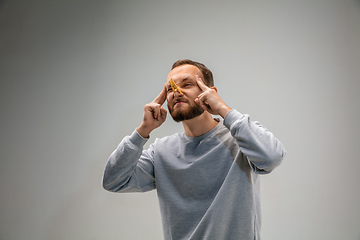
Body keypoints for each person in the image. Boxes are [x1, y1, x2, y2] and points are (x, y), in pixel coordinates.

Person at [102, 59, 286, 240]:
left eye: (187, 84)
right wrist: (142, 131)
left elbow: (271, 157)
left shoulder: (241, 138)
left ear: (209, 92)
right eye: (170, 88)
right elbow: (113, 181)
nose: (177, 92)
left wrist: (222, 108)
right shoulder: (161, 152)